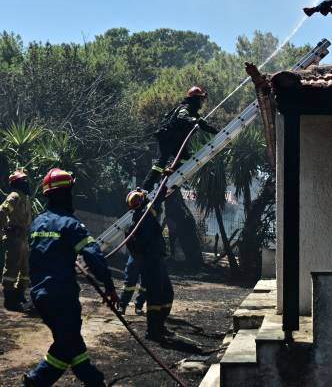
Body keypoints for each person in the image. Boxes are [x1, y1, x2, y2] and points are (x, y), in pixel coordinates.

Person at [23, 168, 119, 387]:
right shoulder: (71, 224)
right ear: (67, 193)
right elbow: (93, 255)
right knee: (65, 345)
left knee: (70, 339)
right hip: (63, 296)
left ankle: (93, 380)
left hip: (40, 296)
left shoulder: (37, 224)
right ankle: (35, 381)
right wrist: (110, 286)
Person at [142, 86, 218, 191]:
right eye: (200, 99)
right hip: (167, 139)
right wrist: (193, 120)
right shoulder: (185, 108)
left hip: (176, 142)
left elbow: (204, 127)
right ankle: (146, 188)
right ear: (195, 99)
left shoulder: (193, 112)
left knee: (186, 159)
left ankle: (168, 175)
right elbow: (181, 117)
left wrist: (217, 132)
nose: (201, 103)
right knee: (162, 161)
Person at [124, 189, 175, 342]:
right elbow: (158, 198)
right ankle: (153, 331)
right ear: (141, 201)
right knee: (156, 298)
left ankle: (159, 326)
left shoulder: (141, 216)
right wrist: (163, 183)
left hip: (156, 260)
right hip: (151, 262)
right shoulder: (144, 215)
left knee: (166, 294)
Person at [0, 169, 33, 312]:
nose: (26, 183)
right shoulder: (15, 196)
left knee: (25, 270)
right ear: (18, 183)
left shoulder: (25, 198)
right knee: (11, 269)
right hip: (15, 237)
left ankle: (19, 296)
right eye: (23, 180)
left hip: (23, 237)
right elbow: (0, 213)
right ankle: (9, 300)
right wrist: (6, 229)